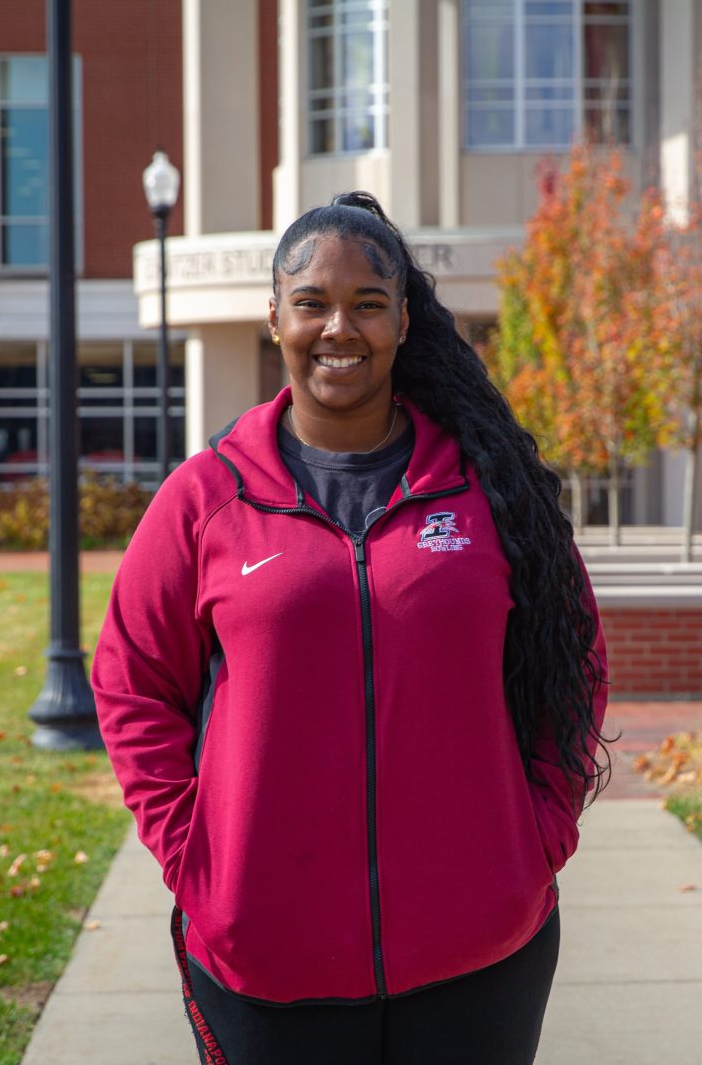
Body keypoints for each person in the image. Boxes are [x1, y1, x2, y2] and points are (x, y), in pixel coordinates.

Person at [91, 191, 609, 1064]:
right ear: (274, 318)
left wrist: (535, 837)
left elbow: (575, 661)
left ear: (404, 321)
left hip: (477, 952)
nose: (341, 328)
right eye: (312, 303)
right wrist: (202, 865)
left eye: (368, 304)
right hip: (266, 955)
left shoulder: (487, 488)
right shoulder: (207, 499)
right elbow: (131, 683)